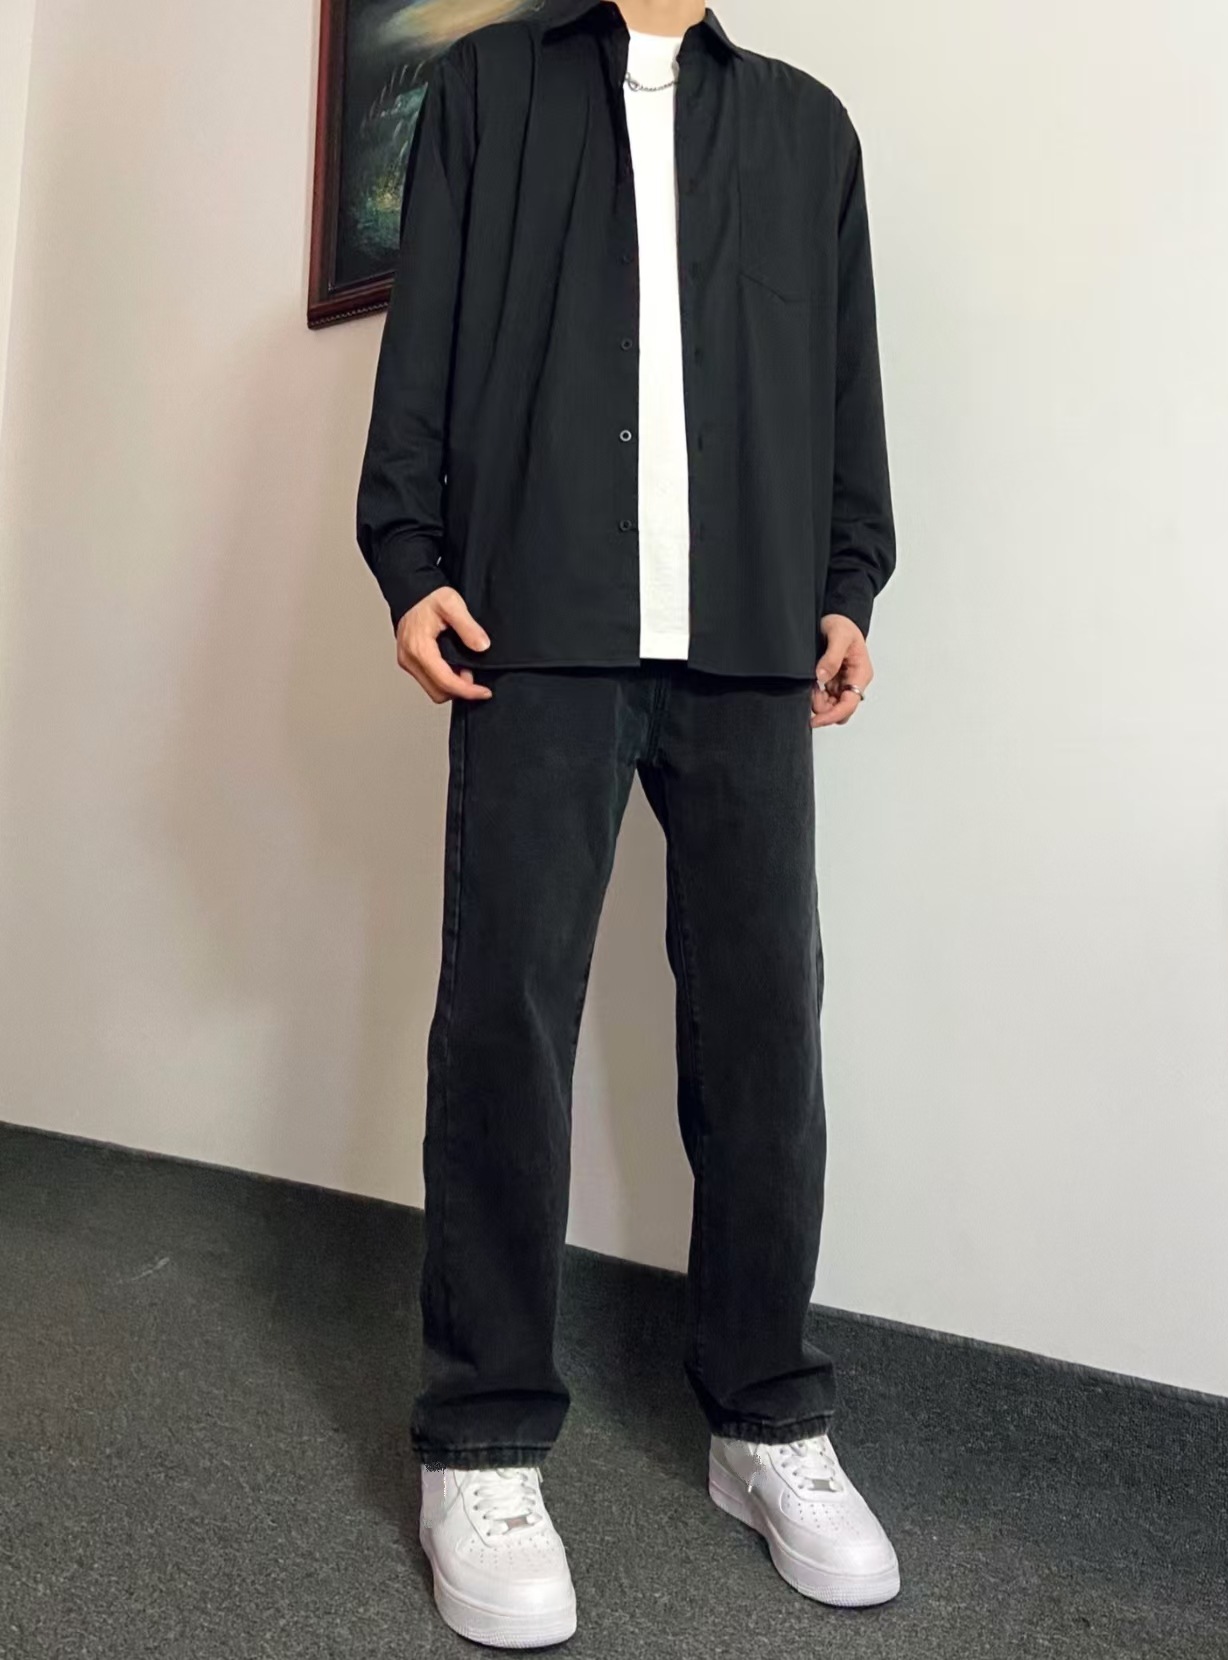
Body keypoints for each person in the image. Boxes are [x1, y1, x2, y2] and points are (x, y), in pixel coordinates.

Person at [355, 0, 898, 1646]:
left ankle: (766, 1418)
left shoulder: (805, 129)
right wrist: (409, 558)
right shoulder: (486, 92)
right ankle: (482, 1438)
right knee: (505, 1020)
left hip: (751, 634)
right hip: (541, 618)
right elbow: (426, 339)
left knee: (765, 1028)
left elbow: (845, 377)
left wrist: (849, 579)